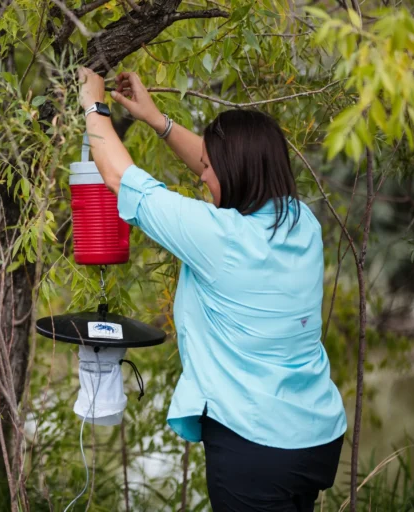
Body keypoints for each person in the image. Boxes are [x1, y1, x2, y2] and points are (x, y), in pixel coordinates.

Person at [77, 67, 347, 512]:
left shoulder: (222, 240)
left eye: (209, 168)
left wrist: (93, 105)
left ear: (235, 171)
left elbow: (121, 179)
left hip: (257, 446)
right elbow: (224, 168)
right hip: (315, 436)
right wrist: (157, 120)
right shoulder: (302, 222)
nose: (203, 175)